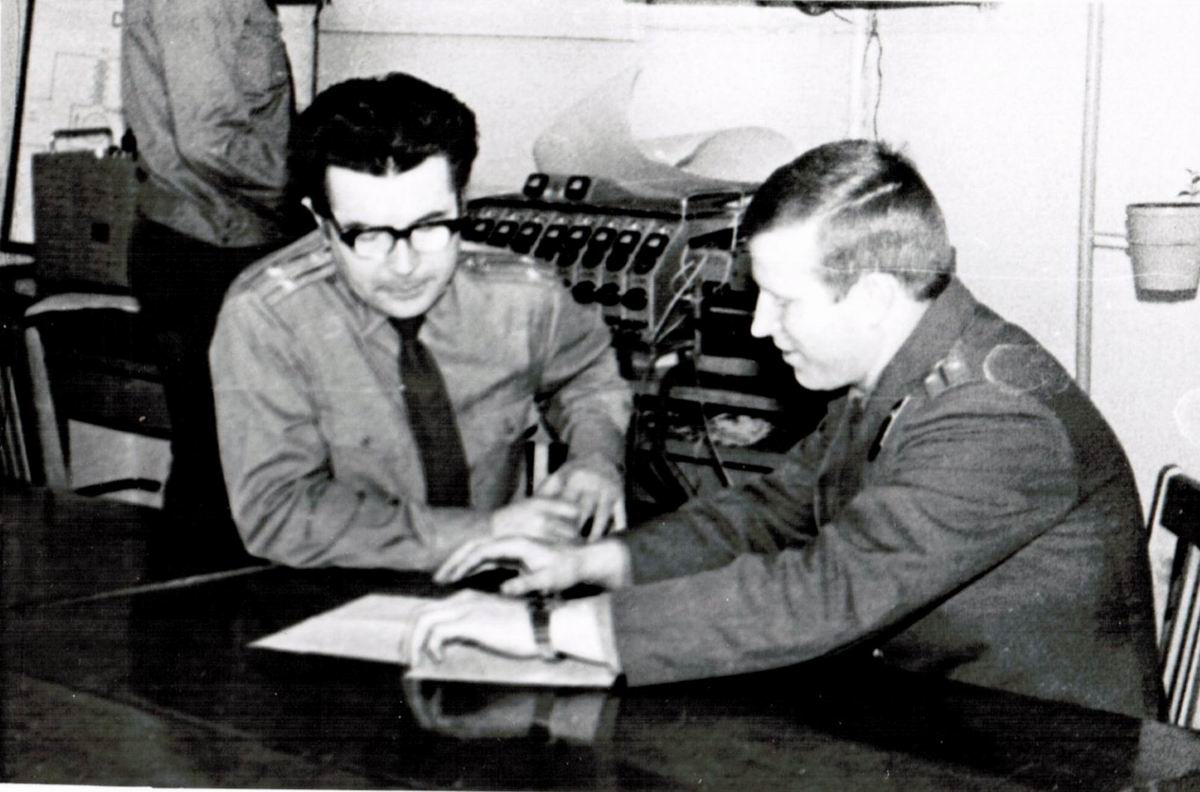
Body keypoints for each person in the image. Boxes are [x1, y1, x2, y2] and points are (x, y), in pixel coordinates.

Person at [408, 139, 1163, 720]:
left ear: (871, 297)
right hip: (935, 714)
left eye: (783, 301)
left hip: (1047, 753)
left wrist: (549, 632)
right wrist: (594, 561)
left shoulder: (994, 420)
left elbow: (824, 593)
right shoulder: (901, 366)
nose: (761, 328)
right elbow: (775, 511)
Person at [209, 72, 632, 571]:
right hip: (336, 590)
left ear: (463, 204)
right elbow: (279, 513)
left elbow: (586, 374)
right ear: (322, 225)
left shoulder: (522, 295)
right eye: (368, 236)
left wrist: (596, 459)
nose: (405, 265)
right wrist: (485, 531)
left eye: (431, 226)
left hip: (494, 587)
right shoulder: (268, 318)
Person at [121, 0, 313, 562]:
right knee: (222, 474)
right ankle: (195, 615)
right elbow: (209, 140)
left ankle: (188, 613)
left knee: (217, 468)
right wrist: (310, 184)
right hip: (212, 249)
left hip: (209, 241)